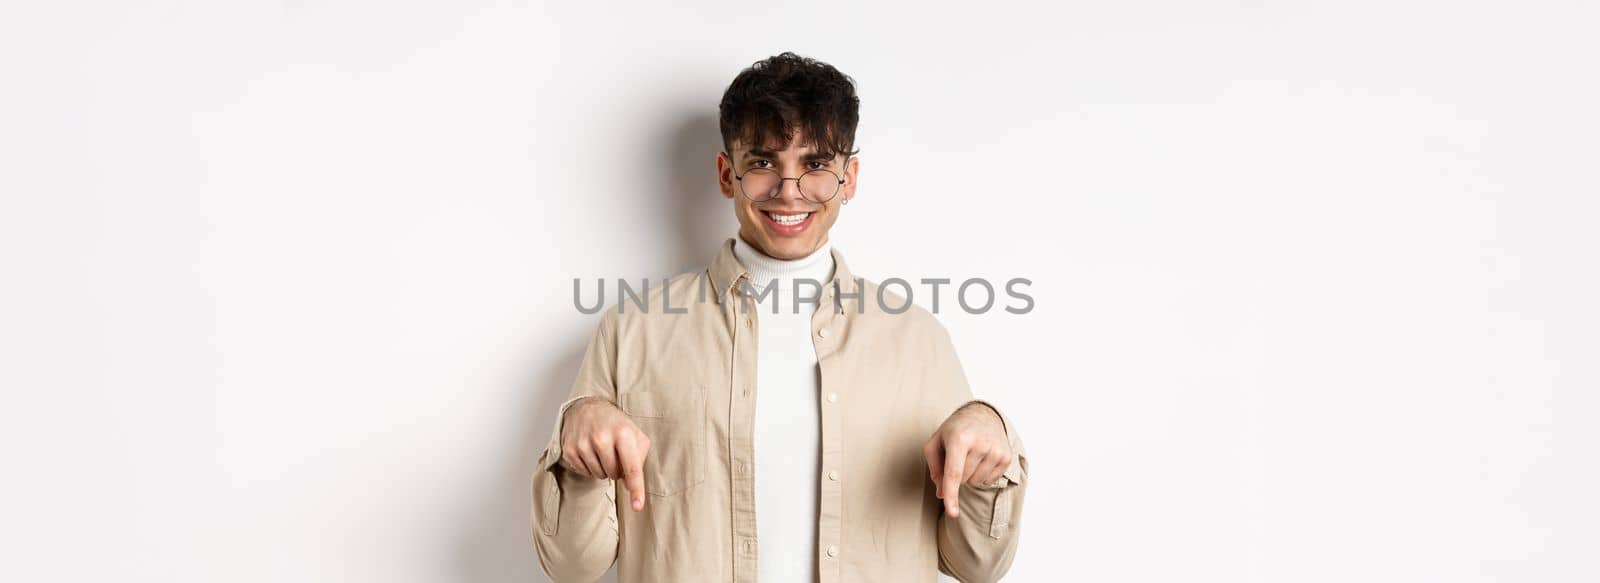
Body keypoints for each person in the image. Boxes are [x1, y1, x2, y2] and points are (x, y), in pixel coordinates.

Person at [530, 51, 1028, 583]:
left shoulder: (917, 340)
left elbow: (977, 565)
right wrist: (576, 452)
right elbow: (570, 566)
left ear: (849, 177)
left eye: (815, 164)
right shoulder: (634, 330)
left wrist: (990, 438)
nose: (789, 189)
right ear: (727, 174)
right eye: (763, 162)